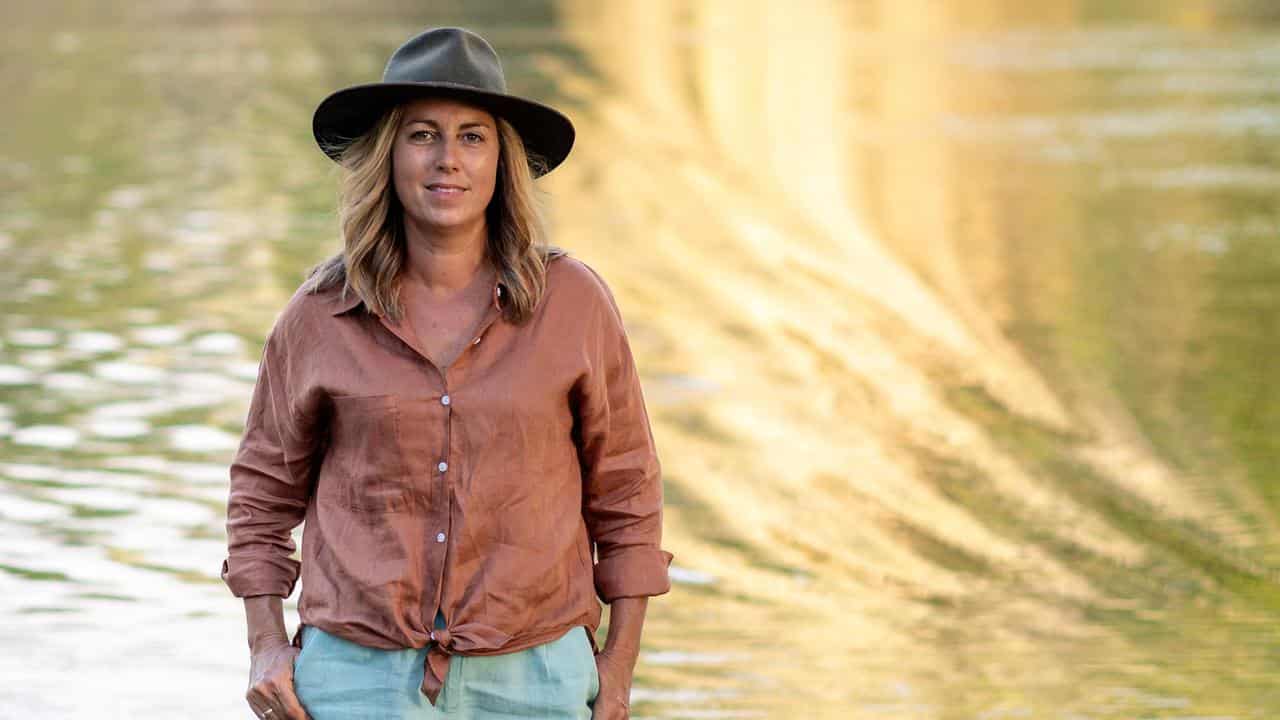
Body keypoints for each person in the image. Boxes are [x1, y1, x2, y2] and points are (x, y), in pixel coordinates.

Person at [220, 26, 673, 720]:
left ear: (501, 162)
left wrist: (617, 670)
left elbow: (627, 491)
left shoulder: (574, 304)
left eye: (472, 137)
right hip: (352, 679)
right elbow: (261, 492)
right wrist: (264, 645)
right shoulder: (317, 316)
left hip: (536, 679)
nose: (446, 160)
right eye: (422, 135)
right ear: (388, 157)